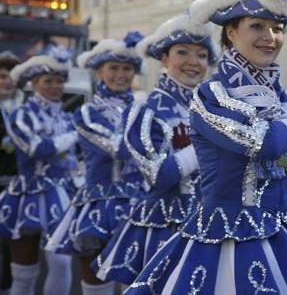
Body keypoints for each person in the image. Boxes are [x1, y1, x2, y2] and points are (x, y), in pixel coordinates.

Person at [125, 0, 287, 295]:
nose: (271, 37)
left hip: (279, 232)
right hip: (226, 238)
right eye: (257, 26)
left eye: (278, 27)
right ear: (232, 33)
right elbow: (263, 144)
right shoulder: (213, 94)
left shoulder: (280, 97)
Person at [92, 14, 214, 287]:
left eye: (202, 54)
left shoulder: (212, 108)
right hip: (165, 223)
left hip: (210, 221)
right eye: (182, 52)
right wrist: (210, 144)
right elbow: (160, 176)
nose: (194, 62)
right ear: (164, 59)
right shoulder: (146, 111)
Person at [45, 32, 145, 295]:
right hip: (99, 203)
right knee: (95, 284)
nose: (120, 75)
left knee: (135, 284)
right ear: (99, 70)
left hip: (139, 202)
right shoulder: (87, 112)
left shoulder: (144, 109)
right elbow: (118, 150)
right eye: (113, 68)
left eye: (127, 68)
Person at [0, 47, 77, 295]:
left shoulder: (67, 117)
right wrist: (73, 137)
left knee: (62, 263)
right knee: (24, 272)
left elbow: (74, 158)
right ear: (34, 83)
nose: (55, 86)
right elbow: (37, 149)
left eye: (59, 81)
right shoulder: (22, 115)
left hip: (61, 194)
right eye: (48, 81)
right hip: (27, 194)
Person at [0, 52, 23, 294]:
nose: (7, 82)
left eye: (11, 77)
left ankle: (9, 288)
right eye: (3, 77)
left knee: (16, 244)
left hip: (18, 186)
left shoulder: (24, 110)